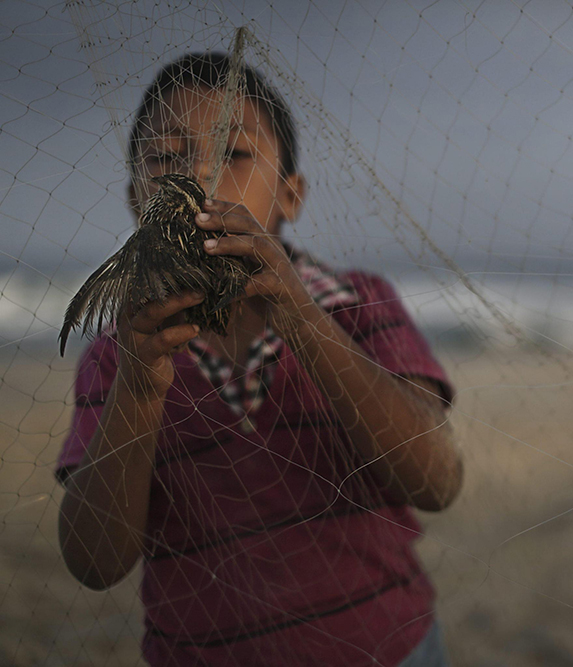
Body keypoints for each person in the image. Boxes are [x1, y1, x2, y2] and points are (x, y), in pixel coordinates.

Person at [56, 52, 462, 666]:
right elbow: (94, 563)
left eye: (234, 154)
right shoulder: (119, 359)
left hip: (394, 649)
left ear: (290, 196)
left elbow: (437, 482)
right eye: (166, 157)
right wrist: (140, 390)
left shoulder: (360, 306)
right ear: (139, 201)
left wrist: (300, 315)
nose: (196, 173)